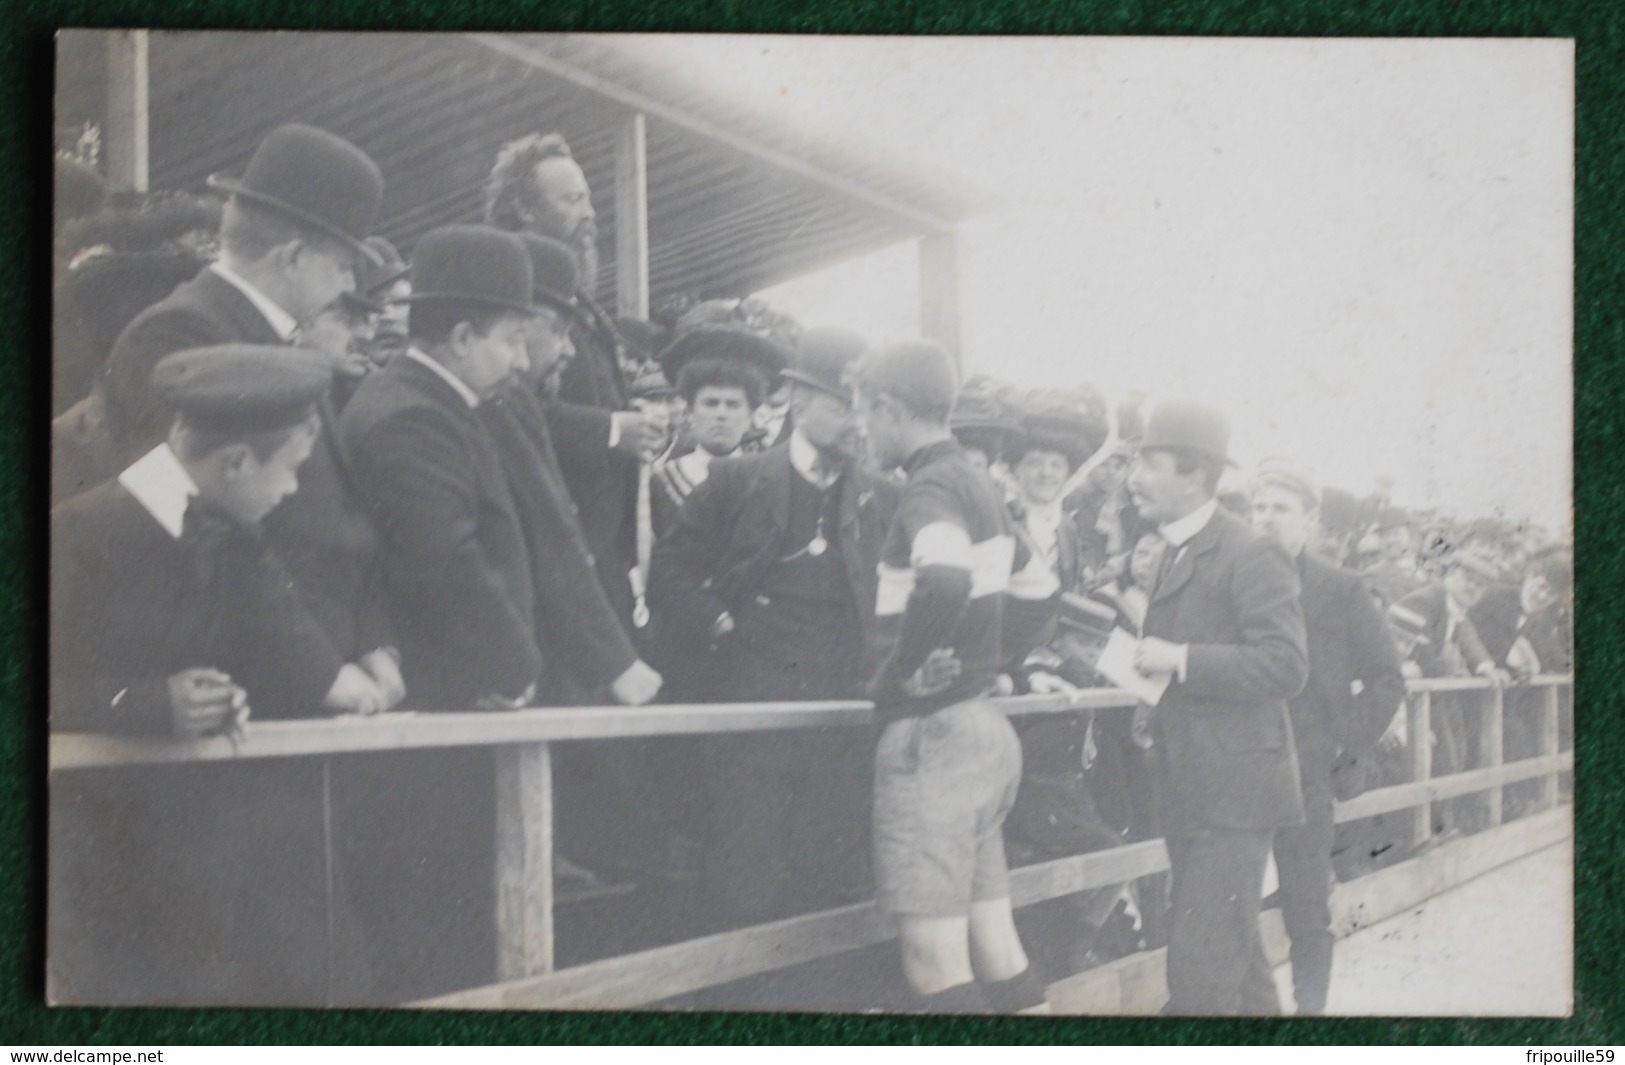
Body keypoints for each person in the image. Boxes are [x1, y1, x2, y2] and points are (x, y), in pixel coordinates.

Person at [50, 343, 383, 1006]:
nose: (292, 489)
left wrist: (216, 699)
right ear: (234, 463)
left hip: (204, 861)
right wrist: (146, 702)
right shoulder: (74, 535)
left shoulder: (225, 529)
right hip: (102, 864)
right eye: (290, 470)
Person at [335, 225, 545, 1000]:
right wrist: (515, 668)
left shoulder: (432, 402)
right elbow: (444, 562)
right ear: (460, 336)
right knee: (432, 943)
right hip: (440, 715)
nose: (520, 360)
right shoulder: (410, 416)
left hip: (454, 707)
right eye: (511, 339)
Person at [648, 327, 898, 943]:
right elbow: (669, 575)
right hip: (750, 706)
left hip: (841, 710)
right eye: (842, 406)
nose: (854, 424)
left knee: (829, 868)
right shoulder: (735, 481)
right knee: (744, 868)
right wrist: (720, 620)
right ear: (797, 401)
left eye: (862, 409)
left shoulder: (884, 496)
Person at [852, 340, 1048, 1014]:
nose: (865, 432)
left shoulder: (928, 485)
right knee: (997, 948)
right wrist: (988, 661)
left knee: (933, 962)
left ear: (888, 407)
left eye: (865, 415)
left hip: (930, 738)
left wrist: (909, 667)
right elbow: (1040, 583)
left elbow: (942, 576)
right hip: (983, 734)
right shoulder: (979, 483)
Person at [1123, 399, 1308, 1015]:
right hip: (1191, 785)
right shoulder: (1175, 549)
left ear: (1196, 474)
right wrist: (1151, 700)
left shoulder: (1250, 550)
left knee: (1199, 973)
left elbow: (1285, 664)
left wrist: (1179, 659)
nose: (1134, 478)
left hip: (1237, 794)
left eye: (1150, 464)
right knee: (1240, 965)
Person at [100, 124, 384, 471]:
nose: (348, 285)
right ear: (293, 258)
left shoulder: (251, 331)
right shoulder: (174, 337)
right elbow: (178, 506)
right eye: (343, 267)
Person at [1249, 460, 1405, 1015]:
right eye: (1258, 507)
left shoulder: (1340, 588)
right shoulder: (1229, 581)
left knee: (1306, 907)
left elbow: (1388, 679)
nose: (1266, 519)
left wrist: (1344, 742)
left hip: (1308, 770)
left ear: (1309, 520)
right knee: (1227, 905)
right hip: (1237, 767)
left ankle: (1311, 1019)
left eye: (1280, 509)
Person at [485, 132, 659, 627]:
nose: (591, 213)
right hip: (551, 550)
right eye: (572, 199)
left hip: (596, 549)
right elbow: (502, 405)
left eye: (588, 197)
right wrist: (610, 430)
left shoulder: (572, 292)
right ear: (523, 206)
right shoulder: (508, 285)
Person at [1389, 550, 1507, 838]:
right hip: (1402, 697)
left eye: (1481, 585)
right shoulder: (1425, 600)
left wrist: (1486, 667)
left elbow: (1467, 637)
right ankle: (1425, 831)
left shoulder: (1455, 609)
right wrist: (1449, 670)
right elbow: (1400, 648)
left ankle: (1442, 826)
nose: (1473, 589)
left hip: (1436, 693)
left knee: (1456, 752)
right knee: (1439, 757)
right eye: (1468, 579)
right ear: (1451, 573)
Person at [648, 304, 791, 541]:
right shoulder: (661, 481)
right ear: (690, 410)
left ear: (750, 414)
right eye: (711, 403)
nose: (721, 414)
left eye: (733, 405)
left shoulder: (770, 479)